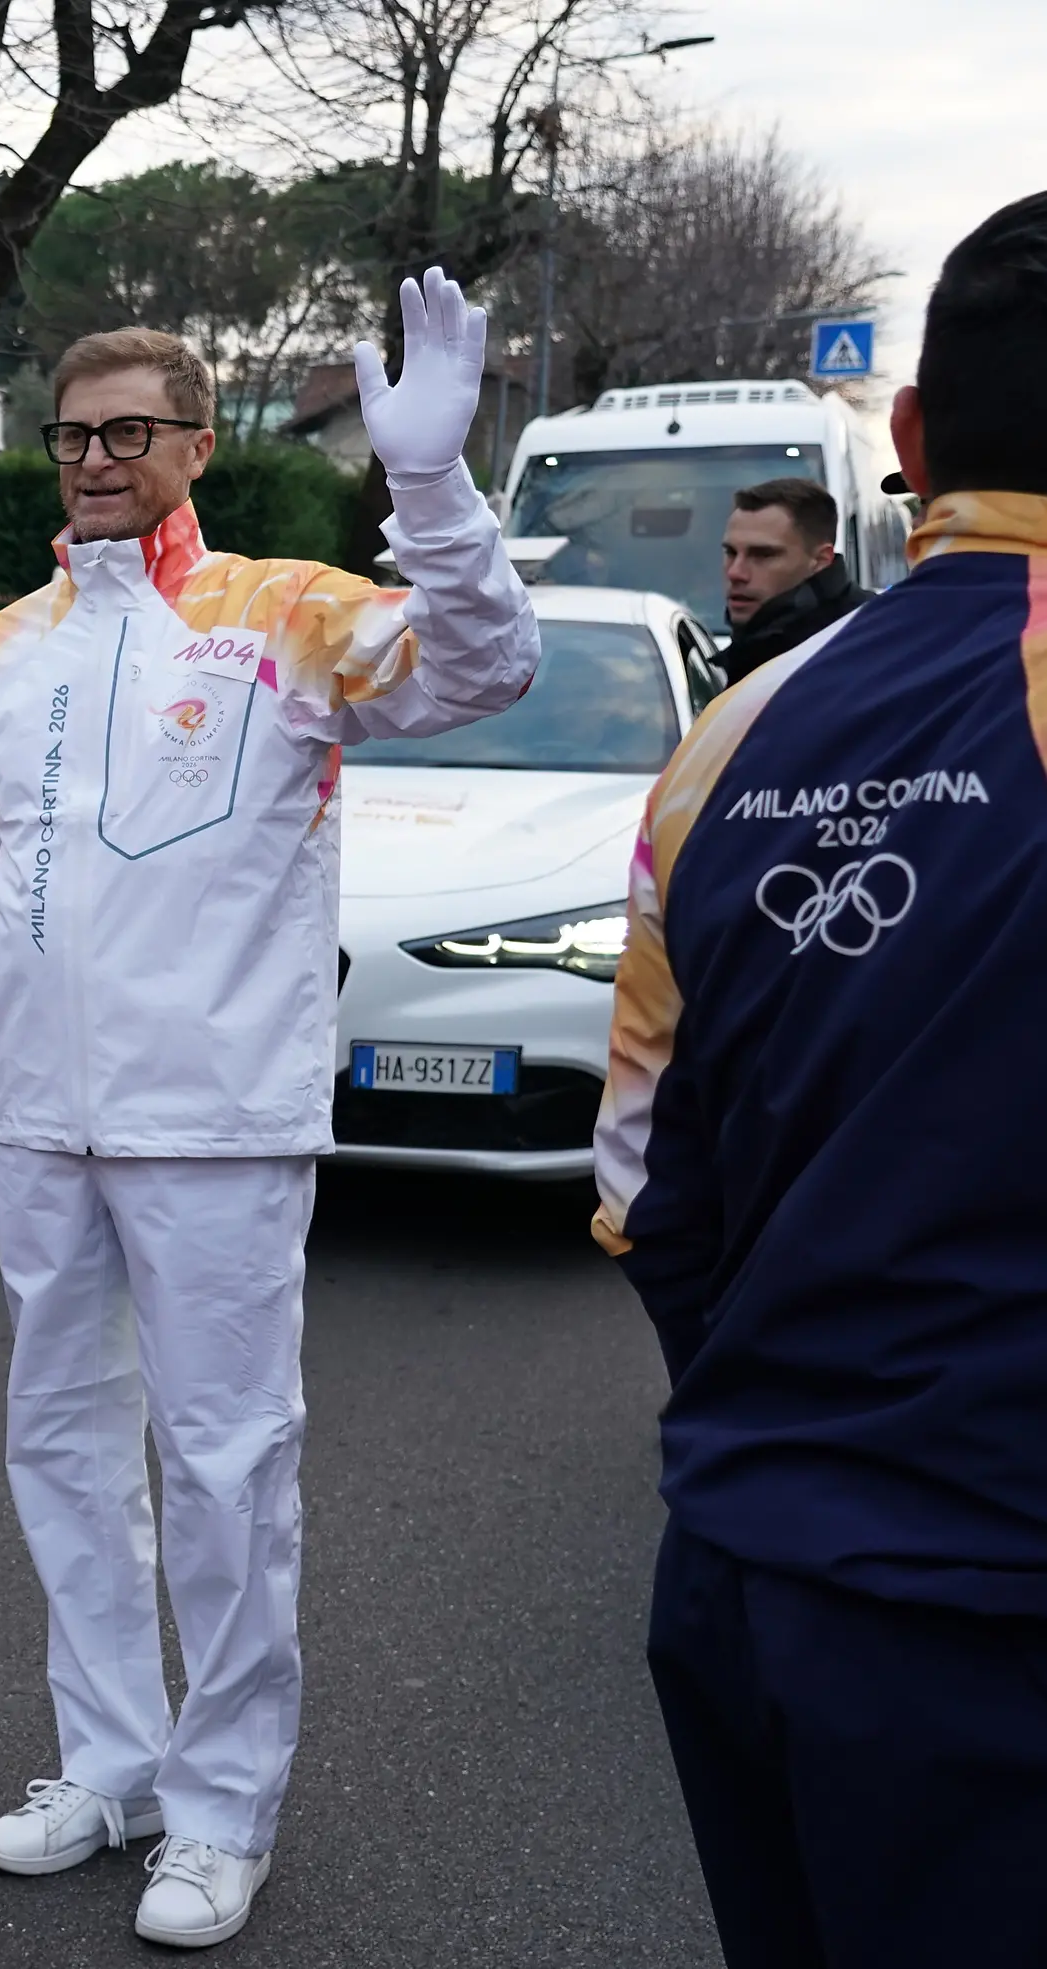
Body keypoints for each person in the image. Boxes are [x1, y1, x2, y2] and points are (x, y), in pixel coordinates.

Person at [0, 275, 536, 1948]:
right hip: (41, 1117)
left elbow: (483, 665)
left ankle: (226, 1804)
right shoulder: (3, 649)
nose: (93, 458)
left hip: (214, 1117)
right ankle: (113, 1761)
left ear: (193, 442)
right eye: (75, 433)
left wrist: (432, 492)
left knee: (226, 1466)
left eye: (127, 432)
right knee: (64, 1452)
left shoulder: (285, 613)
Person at [595, 190, 1047, 1968]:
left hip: (755, 1575)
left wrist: (799, 1429)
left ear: (912, 437)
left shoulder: (729, 734)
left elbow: (643, 1180)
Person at [716, 476, 869, 683]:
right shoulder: (753, 643)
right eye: (731, 552)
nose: (735, 572)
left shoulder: (866, 641)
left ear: (820, 560)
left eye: (763, 555)